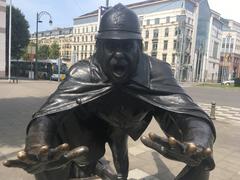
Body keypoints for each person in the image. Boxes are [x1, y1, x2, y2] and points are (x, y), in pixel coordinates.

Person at [3, 3, 216, 180]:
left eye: (126, 46)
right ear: (98, 47)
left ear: (139, 47)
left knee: (199, 158)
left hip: (128, 121)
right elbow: (47, 115)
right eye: (111, 46)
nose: (118, 54)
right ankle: (95, 166)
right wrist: (37, 144)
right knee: (72, 156)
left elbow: (190, 113)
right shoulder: (83, 72)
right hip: (98, 119)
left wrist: (199, 141)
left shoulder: (156, 70)